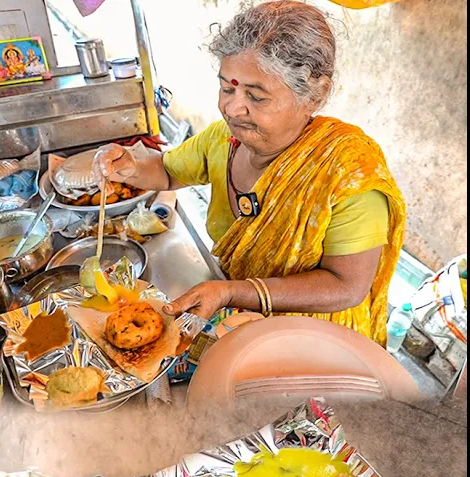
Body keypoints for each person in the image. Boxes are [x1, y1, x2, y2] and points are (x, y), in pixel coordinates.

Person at [95, 0, 405, 344]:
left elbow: (346, 286)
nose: (231, 107)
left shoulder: (348, 172)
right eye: (227, 88)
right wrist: (131, 167)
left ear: (314, 96)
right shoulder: (223, 140)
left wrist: (234, 292)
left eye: (256, 97)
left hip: (320, 340)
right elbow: (167, 174)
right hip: (242, 320)